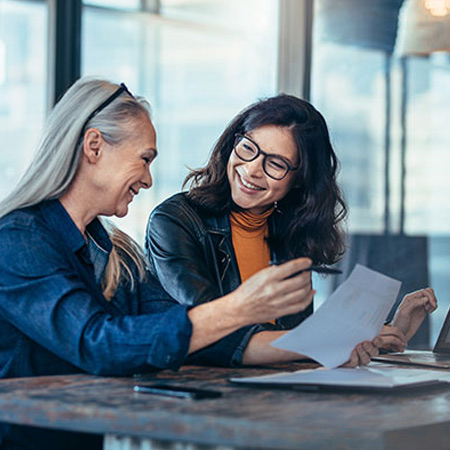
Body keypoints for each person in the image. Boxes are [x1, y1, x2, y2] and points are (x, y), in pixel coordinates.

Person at [0, 79, 323, 450]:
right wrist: (238, 306)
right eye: (144, 159)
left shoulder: (116, 253)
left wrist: (335, 343)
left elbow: (194, 338)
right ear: (94, 146)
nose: (148, 179)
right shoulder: (16, 239)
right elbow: (97, 343)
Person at [146, 94, 437, 365]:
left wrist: (384, 333)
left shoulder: (291, 232)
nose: (251, 169)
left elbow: (295, 341)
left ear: (299, 180)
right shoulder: (175, 220)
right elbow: (212, 331)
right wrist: (329, 343)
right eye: (247, 148)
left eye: (276, 163)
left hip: (271, 395)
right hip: (200, 397)